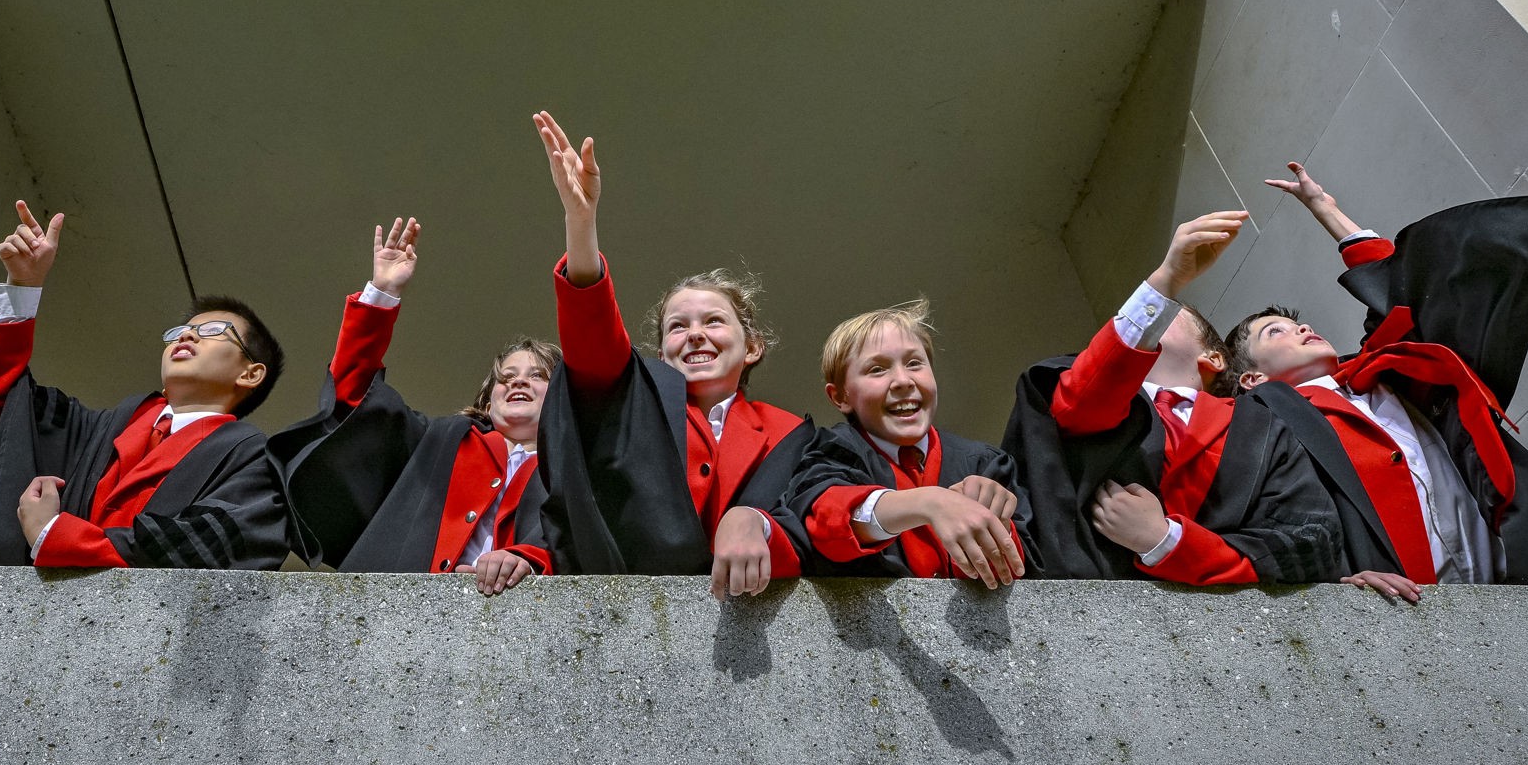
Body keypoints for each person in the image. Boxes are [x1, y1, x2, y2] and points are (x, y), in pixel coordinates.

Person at [1227, 163, 1528, 598]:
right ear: (1252, 379)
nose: (1300, 329)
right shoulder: (1266, 432)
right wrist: (1330, 584)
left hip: (1513, 578)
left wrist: (1325, 209)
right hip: (1409, 602)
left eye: (1298, 324)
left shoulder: (1391, 372)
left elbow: (1402, 293)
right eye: (1275, 332)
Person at [531, 112, 812, 597]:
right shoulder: (632, 409)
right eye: (677, 327)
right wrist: (582, 223)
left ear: (754, 347)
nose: (695, 335)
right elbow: (594, 339)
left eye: (714, 321)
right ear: (660, 354)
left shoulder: (792, 433)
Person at [1001, 211, 1343, 587]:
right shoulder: (1090, 392)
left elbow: (1305, 540)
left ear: (1214, 357)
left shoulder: (1267, 427)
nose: (1140, 317)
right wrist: (1165, 282)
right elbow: (1084, 400)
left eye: (1171, 311)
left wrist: (1166, 541)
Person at [0, 202, 291, 569]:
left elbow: (213, 549)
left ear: (250, 374)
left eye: (212, 331)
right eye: (181, 331)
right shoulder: (96, 430)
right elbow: (1, 401)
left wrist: (58, 537)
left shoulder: (254, 459)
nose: (187, 336)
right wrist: (22, 286)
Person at [269, 217, 557, 593]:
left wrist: (530, 560)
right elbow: (355, 398)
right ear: (487, 403)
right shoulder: (438, 442)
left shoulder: (578, 466)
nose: (518, 380)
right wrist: (382, 295)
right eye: (506, 377)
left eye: (537, 376)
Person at [784, 301, 1027, 585]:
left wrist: (996, 523)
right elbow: (827, 518)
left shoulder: (983, 463)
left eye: (914, 363)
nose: (902, 380)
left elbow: (1030, 571)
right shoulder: (831, 451)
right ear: (841, 397)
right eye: (877, 369)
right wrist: (929, 502)